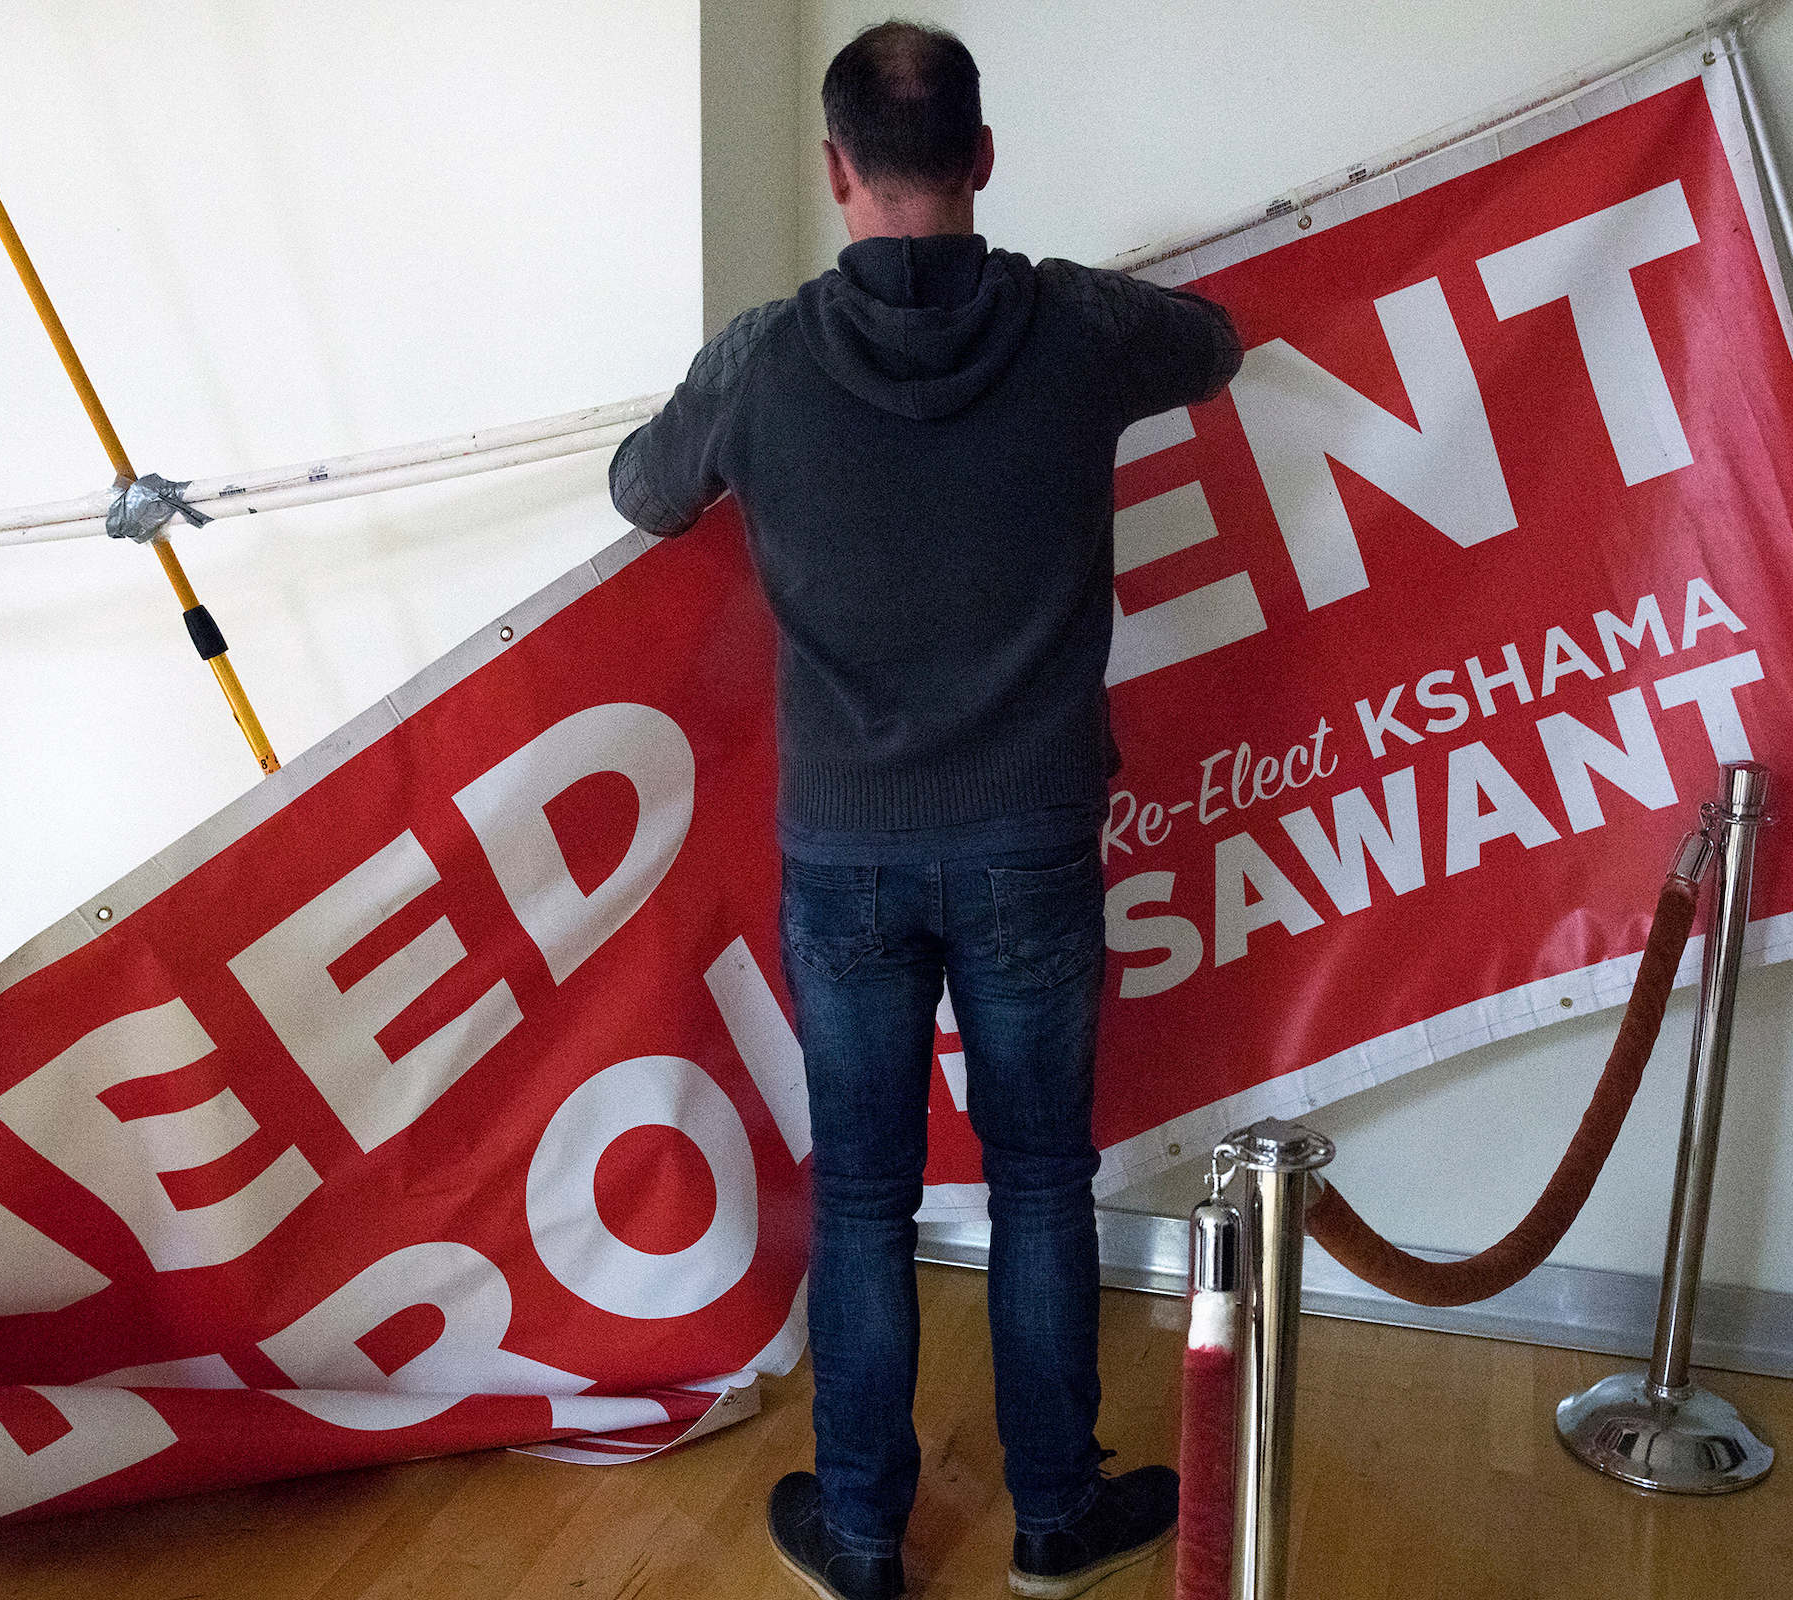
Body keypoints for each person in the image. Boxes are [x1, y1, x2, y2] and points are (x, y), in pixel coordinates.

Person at [609, 20, 1242, 1600]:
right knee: (1040, 1181)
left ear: (835, 173)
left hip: (847, 854)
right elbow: (1217, 340)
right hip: (1029, 840)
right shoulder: (1084, 329)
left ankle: (870, 1537)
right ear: (981, 158)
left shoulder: (762, 360)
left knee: (867, 1193)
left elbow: (640, 488)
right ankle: (1050, 1519)